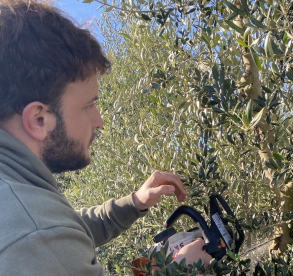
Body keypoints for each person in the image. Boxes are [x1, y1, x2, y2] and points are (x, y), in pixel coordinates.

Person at [0, 0, 211, 275]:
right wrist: (180, 269)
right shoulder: (34, 234)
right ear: (39, 119)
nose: (99, 121)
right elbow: (46, 236)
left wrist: (135, 202)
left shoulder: (19, 199)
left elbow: (65, 229)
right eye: (88, 106)